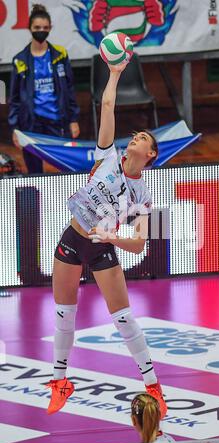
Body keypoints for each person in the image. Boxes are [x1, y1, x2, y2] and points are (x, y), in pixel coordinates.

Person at [46, 59, 167, 420]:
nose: (135, 138)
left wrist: (110, 236)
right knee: (64, 315)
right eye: (135, 136)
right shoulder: (107, 156)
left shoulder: (144, 197)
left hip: (102, 248)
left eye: (142, 138)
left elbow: (141, 244)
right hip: (73, 236)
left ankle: (153, 386)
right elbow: (108, 106)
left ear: (150, 155)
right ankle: (59, 382)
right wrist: (114, 72)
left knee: (125, 319)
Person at [8, 4, 80, 174]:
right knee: (35, 172)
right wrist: (15, 129)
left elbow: (69, 89)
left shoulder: (60, 55)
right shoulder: (20, 60)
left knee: (65, 170)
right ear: (29, 28)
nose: (41, 31)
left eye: (45, 28)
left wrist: (73, 119)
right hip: (31, 125)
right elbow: (15, 98)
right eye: (37, 27)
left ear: (50, 29)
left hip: (58, 121)